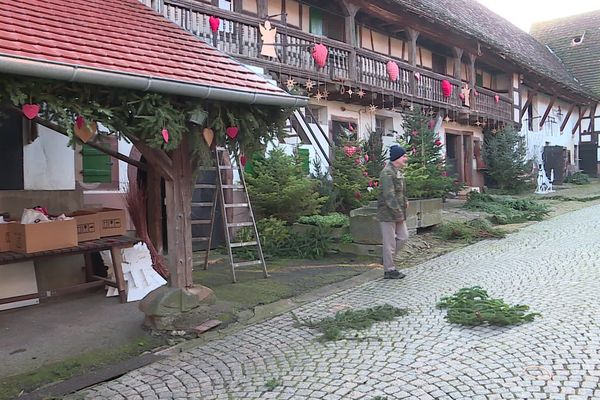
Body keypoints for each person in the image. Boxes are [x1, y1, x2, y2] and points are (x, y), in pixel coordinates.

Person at [377, 145, 409, 279]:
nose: (405, 159)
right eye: (404, 156)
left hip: (398, 211)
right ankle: (389, 270)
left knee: (404, 237)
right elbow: (389, 196)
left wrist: (405, 200)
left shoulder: (397, 171)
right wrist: (399, 214)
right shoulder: (387, 173)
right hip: (388, 213)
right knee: (389, 242)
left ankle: (386, 258)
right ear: (397, 158)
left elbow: (400, 191)